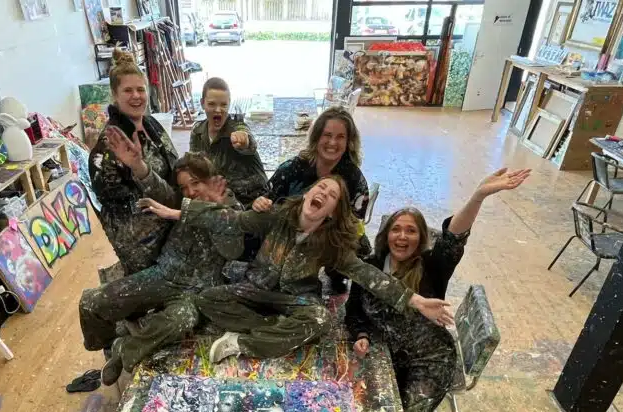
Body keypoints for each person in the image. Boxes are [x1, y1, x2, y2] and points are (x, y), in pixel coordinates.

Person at [139, 175, 454, 365]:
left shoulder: (330, 243)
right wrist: (177, 212)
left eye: (332, 196)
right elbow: (230, 219)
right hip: (254, 289)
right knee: (207, 299)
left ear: (331, 213)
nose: (323, 193)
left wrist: (415, 300)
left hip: (295, 300)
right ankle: (275, 330)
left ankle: (242, 342)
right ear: (307, 194)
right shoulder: (276, 215)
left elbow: (367, 274)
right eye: (321, 187)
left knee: (319, 319)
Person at [346, 168, 531, 412]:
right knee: (360, 409)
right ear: (386, 235)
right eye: (396, 229)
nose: (402, 236)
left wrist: (478, 196)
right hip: (390, 353)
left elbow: (453, 237)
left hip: (431, 358)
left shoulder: (432, 265)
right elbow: (354, 311)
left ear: (421, 238)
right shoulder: (370, 267)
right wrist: (362, 334)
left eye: (411, 231)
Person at [79, 153, 243, 385]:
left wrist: (216, 211)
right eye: (184, 187)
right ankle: (110, 344)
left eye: (195, 183)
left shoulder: (231, 208)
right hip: (163, 274)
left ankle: (124, 350)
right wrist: (137, 165)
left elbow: (232, 251)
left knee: (182, 319)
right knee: (91, 302)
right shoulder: (183, 202)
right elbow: (159, 190)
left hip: (195, 290)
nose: (190, 191)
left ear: (211, 178)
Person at [252, 107, 371, 292]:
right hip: (289, 233)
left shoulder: (355, 180)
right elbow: (265, 198)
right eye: (327, 135)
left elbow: (356, 224)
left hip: (329, 237)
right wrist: (259, 203)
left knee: (361, 249)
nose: (333, 142)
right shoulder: (291, 169)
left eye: (340, 137)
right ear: (316, 137)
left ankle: (337, 278)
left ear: (349, 142)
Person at [88, 46, 179, 273]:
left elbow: (174, 169)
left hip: (170, 217)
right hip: (143, 245)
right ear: (115, 95)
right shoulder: (109, 149)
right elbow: (128, 216)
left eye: (140, 89)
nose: (136, 96)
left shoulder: (152, 124)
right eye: (128, 90)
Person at [190, 77, 269, 209]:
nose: (218, 110)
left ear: (229, 104)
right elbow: (194, 165)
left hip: (253, 200)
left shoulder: (236, 127)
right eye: (212, 104)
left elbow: (248, 141)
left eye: (223, 105)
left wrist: (244, 140)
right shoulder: (197, 131)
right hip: (222, 198)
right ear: (202, 103)